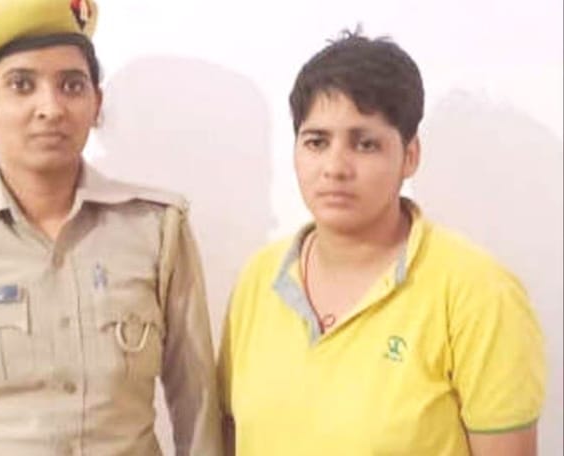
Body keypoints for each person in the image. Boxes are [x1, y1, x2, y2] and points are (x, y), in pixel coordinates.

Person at [0, 0, 222, 454]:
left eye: (71, 85)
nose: (51, 108)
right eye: (21, 84)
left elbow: (197, 401)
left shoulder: (157, 228)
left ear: (96, 102)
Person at [218, 29, 545, 456]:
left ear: (410, 155)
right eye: (317, 142)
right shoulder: (260, 278)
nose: (335, 167)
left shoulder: (480, 293)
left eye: (365, 144)